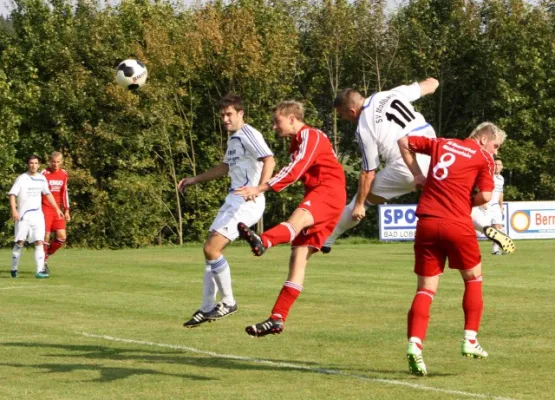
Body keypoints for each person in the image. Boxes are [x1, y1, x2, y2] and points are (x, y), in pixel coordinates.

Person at [397, 122, 512, 376]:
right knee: (473, 278)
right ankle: (470, 339)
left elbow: (404, 141)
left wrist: (417, 174)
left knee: (426, 289)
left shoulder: (441, 143)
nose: (495, 152)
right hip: (457, 224)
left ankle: (415, 345)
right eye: (495, 146)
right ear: (483, 139)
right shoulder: (483, 158)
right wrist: (463, 202)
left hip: (426, 222)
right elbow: (484, 196)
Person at [236, 100, 346, 337]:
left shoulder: (311, 135)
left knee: (295, 223)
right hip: (327, 195)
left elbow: (295, 169)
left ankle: (264, 241)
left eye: (278, 121)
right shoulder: (299, 142)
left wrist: (261, 187)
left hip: (328, 192)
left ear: (293, 119)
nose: (274, 127)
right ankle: (277, 317)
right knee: (298, 261)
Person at [179, 93, 275, 328]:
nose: (225, 119)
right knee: (210, 252)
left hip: (246, 201)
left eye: (229, 114)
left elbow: (270, 159)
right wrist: (194, 179)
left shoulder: (248, 133)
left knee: (212, 249)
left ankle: (229, 302)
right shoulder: (234, 139)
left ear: (241, 114)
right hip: (233, 199)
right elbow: (224, 168)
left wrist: (258, 189)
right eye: (222, 115)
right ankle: (206, 307)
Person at [321, 78, 439, 253]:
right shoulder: (391, 93)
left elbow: (368, 172)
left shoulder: (364, 126)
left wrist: (360, 204)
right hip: (434, 153)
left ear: (352, 111)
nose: (343, 119)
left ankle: (326, 239)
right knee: (450, 199)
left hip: (406, 165)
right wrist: (433, 81)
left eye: (342, 115)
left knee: (359, 202)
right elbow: (431, 85)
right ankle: (486, 229)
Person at [8, 155, 64, 279]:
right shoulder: (22, 178)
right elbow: (12, 195)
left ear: (39, 165)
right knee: (20, 242)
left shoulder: (41, 178)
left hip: (38, 216)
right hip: (23, 216)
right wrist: (14, 210)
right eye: (31, 163)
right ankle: (14, 268)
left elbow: (48, 194)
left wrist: (57, 208)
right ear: (28, 165)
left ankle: (39, 271)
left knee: (39, 241)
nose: (33, 165)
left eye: (36, 163)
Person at [42, 152, 71, 273]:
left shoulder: (64, 174)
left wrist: (67, 210)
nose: (55, 164)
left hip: (58, 210)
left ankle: (46, 254)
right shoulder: (44, 173)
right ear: (49, 161)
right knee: (46, 236)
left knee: (62, 237)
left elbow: (64, 193)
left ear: (62, 162)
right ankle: (42, 263)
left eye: (58, 162)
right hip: (45, 208)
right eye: (53, 162)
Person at [471, 159, 507, 255]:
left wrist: (501, 205)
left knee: (498, 226)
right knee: (482, 227)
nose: (497, 166)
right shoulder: (488, 175)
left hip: (495, 206)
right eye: (495, 164)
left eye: (499, 164)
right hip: (486, 204)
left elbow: (500, 193)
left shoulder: (501, 179)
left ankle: (495, 250)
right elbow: (480, 187)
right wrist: (483, 201)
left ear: (502, 167)